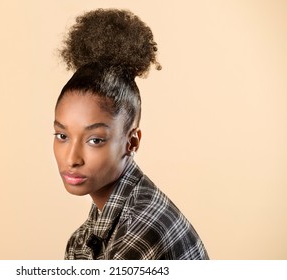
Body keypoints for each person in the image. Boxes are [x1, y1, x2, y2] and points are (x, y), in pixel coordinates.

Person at [53, 8, 209, 260]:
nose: (72, 158)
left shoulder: (141, 232)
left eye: (95, 140)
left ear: (131, 141)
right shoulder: (86, 237)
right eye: (62, 136)